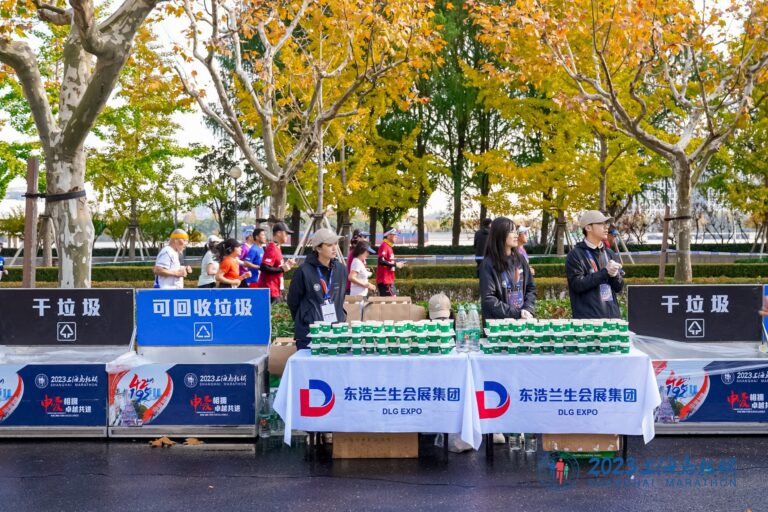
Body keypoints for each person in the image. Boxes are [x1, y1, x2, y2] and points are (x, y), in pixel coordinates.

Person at [287, 228, 348, 350]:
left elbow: (340, 297)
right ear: (318, 248)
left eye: (335, 243)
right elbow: (293, 302)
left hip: (336, 332)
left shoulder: (341, 269)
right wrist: (305, 319)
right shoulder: (303, 271)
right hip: (310, 334)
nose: (334, 248)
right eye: (329, 245)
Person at [565, 210, 624, 319]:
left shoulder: (609, 253)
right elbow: (577, 285)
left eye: (606, 223)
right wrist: (605, 272)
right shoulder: (575, 255)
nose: (606, 227)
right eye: (601, 223)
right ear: (588, 228)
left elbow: (618, 287)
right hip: (588, 323)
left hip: (612, 318)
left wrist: (615, 275)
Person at [479, 217, 536, 320]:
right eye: (511, 232)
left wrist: (527, 309)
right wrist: (516, 314)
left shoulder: (520, 260)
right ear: (500, 234)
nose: (516, 235)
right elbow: (489, 298)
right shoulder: (488, 264)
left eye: (516, 231)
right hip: (498, 327)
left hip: (522, 322)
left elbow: (530, 288)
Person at [257, 222, 296, 303]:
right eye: (286, 233)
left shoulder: (277, 247)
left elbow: (275, 266)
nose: (287, 236)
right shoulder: (272, 248)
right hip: (270, 290)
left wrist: (286, 265)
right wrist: (282, 269)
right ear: (278, 233)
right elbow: (264, 267)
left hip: (275, 290)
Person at [376, 227, 406, 296]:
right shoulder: (384, 246)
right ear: (388, 235)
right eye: (394, 234)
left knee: (391, 303)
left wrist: (397, 264)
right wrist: (396, 264)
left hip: (389, 281)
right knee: (392, 303)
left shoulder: (389, 246)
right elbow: (381, 261)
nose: (396, 236)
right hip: (385, 281)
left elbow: (388, 262)